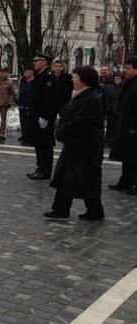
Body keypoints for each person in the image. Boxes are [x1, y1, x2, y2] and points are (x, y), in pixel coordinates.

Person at [45, 66, 105, 220]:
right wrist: (61, 125)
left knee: (85, 179)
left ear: (85, 80)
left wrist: (62, 131)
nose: (73, 80)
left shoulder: (91, 98)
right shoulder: (78, 95)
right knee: (67, 177)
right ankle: (61, 209)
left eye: (76, 77)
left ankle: (95, 211)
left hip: (86, 148)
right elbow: (66, 114)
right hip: (75, 146)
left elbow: (81, 122)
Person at [27, 51, 58, 180]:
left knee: (45, 144)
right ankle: (40, 168)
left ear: (44, 62)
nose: (34, 63)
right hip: (37, 115)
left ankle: (45, 171)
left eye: (37, 61)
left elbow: (49, 99)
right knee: (39, 144)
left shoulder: (48, 76)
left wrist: (45, 116)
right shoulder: (40, 75)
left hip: (44, 116)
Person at [108, 57, 137, 193]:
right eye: (125, 68)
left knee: (134, 157)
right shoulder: (129, 81)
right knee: (127, 156)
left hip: (133, 127)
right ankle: (125, 181)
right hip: (125, 123)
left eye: (129, 68)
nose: (126, 71)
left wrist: (134, 126)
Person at [0, 67, 15, 142]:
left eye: (4, 72)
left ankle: (2, 133)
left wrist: (9, 102)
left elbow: (12, 94)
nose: (3, 74)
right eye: (1, 72)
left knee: (3, 120)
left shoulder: (9, 82)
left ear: (7, 73)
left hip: (4, 104)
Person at [103, 73, 123, 147]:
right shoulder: (110, 88)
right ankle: (108, 140)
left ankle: (116, 140)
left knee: (118, 127)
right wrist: (107, 109)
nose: (117, 80)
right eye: (115, 78)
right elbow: (107, 99)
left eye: (119, 78)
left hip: (119, 111)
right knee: (110, 127)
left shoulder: (123, 88)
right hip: (111, 111)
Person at [17, 66, 35, 145]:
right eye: (24, 71)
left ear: (31, 72)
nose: (25, 73)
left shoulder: (35, 81)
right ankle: (24, 135)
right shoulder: (22, 80)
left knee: (29, 122)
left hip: (30, 105)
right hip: (22, 104)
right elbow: (20, 91)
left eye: (27, 71)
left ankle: (29, 138)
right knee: (23, 121)